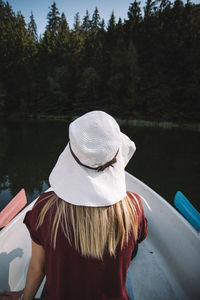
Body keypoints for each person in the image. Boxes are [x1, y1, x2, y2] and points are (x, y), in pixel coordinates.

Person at [0, 111, 148, 300]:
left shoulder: (44, 208)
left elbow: (37, 270)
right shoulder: (134, 207)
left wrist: (24, 298)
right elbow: (137, 242)